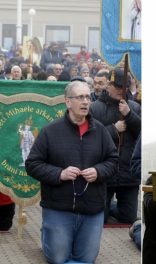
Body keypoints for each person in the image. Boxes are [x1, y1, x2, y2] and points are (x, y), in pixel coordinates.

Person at [25, 81, 119, 264]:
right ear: (68, 102)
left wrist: (99, 171)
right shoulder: (49, 131)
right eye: (80, 97)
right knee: (58, 258)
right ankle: (49, 233)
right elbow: (32, 164)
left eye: (88, 97)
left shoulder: (100, 131)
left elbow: (113, 161)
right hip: (59, 206)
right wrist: (59, 174)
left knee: (87, 258)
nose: (85, 102)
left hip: (92, 207)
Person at [90, 68, 141, 224]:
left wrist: (129, 114)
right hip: (105, 172)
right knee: (101, 218)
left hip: (127, 173)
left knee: (128, 218)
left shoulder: (134, 107)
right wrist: (113, 129)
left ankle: (113, 207)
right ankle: (107, 207)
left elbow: (140, 132)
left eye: (124, 87)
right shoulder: (95, 108)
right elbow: (92, 137)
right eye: (117, 86)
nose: (121, 90)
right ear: (109, 85)